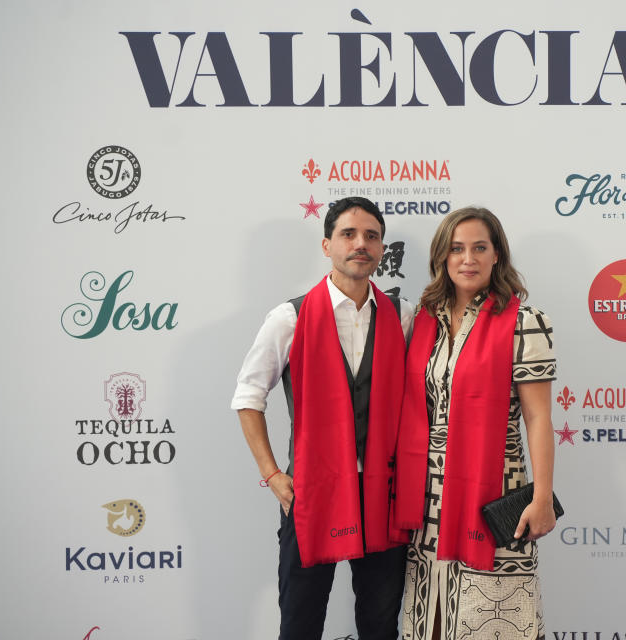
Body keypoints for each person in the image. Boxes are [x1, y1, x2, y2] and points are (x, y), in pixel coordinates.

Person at [231, 197, 414, 640]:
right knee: (300, 621)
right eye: (349, 234)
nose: (360, 244)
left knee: (379, 623)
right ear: (326, 244)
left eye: (371, 236)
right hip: (310, 493)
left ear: (382, 248)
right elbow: (248, 396)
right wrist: (273, 474)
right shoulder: (289, 317)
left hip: (382, 493)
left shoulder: (402, 315)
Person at [391, 207, 557, 640]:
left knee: (490, 618)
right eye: (457, 248)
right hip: (429, 495)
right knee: (433, 618)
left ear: (497, 254)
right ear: (442, 258)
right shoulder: (424, 320)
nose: (468, 258)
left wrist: (541, 498)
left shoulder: (524, 322)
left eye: (479, 248)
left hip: (495, 490)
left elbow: (539, 417)